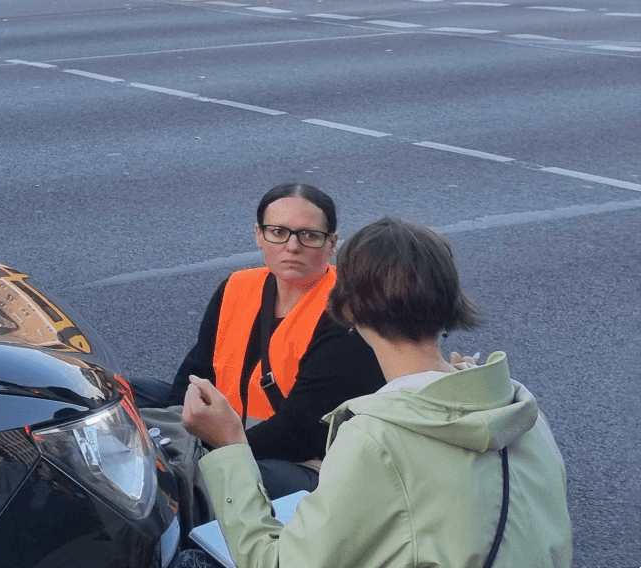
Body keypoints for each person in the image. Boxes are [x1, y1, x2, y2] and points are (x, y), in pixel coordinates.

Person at [184, 216, 572, 567]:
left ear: (347, 309)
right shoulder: (525, 413)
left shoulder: (376, 439)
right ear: (450, 301)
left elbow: (277, 564)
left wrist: (231, 446)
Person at [133, 182, 383, 498]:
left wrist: (215, 449)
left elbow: (302, 431)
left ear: (331, 243)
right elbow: (196, 372)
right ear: (259, 235)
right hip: (224, 427)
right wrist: (180, 429)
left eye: (309, 236)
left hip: (300, 458)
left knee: (201, 480)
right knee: (115, 391)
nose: (292, 246)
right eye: (278, 232)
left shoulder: (346, 311)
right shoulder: (237, 287)